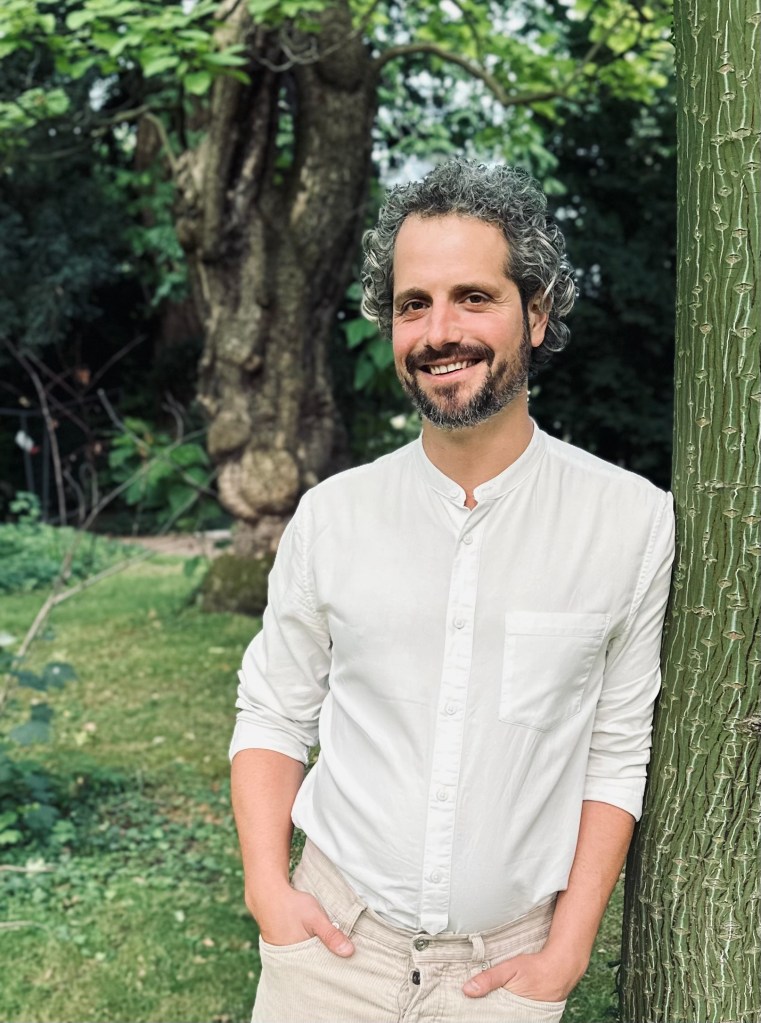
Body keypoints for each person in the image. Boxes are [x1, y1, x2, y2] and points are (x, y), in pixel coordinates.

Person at [230, 159, 675, 1023]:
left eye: (474, 297)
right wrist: (267, 891)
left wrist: (567, 950)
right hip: (326, 949)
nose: (440, 331)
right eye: (413, 303)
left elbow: (617, 749)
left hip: (502, 978)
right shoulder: (331, 516)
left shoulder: (630, 522)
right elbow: (273, 711)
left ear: (536, 314)